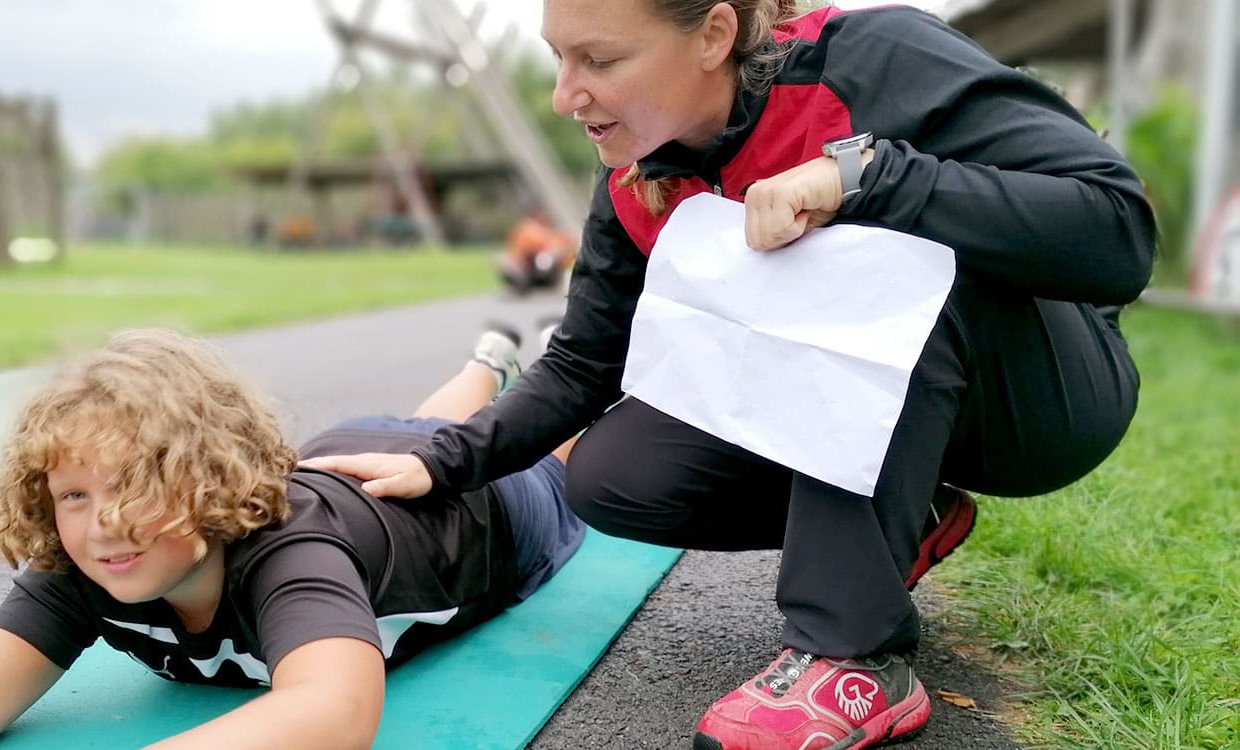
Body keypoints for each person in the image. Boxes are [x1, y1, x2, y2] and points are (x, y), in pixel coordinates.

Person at [301, 2, 1155, 749]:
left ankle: (853, 653)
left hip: (1043, 396)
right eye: (558, 57)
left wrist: (866, 177)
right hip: (907, 402)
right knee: (615, 475)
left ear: (713, 34)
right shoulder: (640, 172)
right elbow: (584, 361)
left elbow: (1116, 232)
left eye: (599, 60)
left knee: (853, 260)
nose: (567, 94)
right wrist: (442, 460)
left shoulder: (872, 59)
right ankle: (912, 511)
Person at [0, 325, 584, 750]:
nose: (103, 520)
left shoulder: (292, 558)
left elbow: (333, 709)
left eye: (135, 485)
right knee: (418, 425)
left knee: (540, 449)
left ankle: (544, 364)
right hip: (350, 452)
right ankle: (487, 356)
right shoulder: (94, 561)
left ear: (209, 482)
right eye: (74, 492)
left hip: (492, 508)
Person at [498, 210, 577, 294]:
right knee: (503, 260)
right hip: (527, 268)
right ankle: (522, 283)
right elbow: (520, 248)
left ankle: (546, 281)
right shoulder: (528, 229)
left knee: (549, 256)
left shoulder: (547, 232)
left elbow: (560, 247)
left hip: (541, 268)